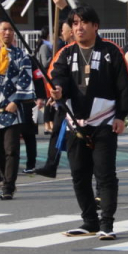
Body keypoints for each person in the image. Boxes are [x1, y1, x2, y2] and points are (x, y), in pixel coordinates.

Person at [52, 5, 128, 240]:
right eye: (75, 23)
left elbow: (123, 85)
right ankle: (89, 220)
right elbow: (58, 77)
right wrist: (56, 90)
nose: (79, 28)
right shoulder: (66, 54)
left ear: (95, 26)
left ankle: (107, 223)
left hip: (104, 122)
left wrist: (121, 116)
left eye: (83, 23)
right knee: (79, 174)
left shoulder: (111, 51)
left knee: (105, 174)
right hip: (76, 124)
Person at [0, 21, 37, 200]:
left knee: (11, 149)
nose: (8, 33)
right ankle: (4, 178)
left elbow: (25, 80)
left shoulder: (21, 55)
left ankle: (9, 186)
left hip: (12, 109)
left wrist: (17, 101)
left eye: (11, 29)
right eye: (4, 29)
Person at [34, 18, 75, 179]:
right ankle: (51, 165)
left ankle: (78, 167)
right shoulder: (63, 51)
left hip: (75, 102)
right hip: (61, 98)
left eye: (62, 30)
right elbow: (57, 75)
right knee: (57, 132)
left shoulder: (74, 52)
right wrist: (55, 92)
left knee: (74, 136)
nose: (61, 34)